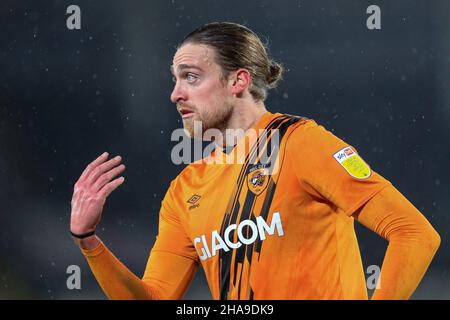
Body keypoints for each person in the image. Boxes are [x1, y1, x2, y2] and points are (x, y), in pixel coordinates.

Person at [70, 22, 440, 300]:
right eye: (175, 80)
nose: (175, 94)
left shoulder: (301, 143)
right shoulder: (185, 191)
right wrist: (89, 242)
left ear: (238, 81)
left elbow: (414, 234)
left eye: (191, 78)